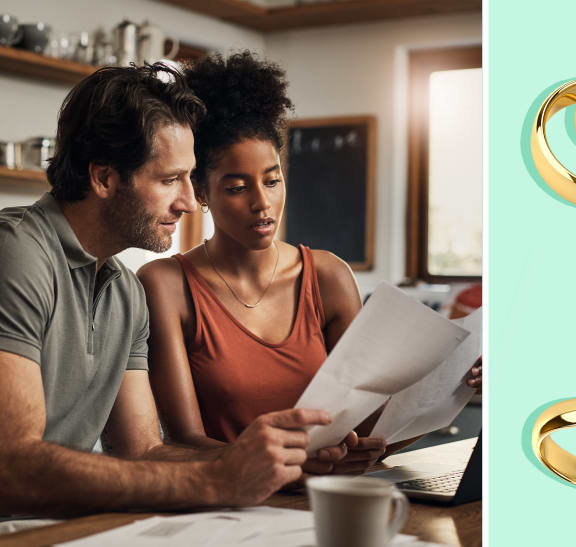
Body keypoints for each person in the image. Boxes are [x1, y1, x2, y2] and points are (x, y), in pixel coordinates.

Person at [0, 63, 348, 517]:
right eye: (169, 180)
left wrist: (279, 462)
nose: (188, 201)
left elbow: (142, 451)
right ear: (104, 178)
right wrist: (218, 477)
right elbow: (11, 468)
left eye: (189, 178)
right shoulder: (17, 253)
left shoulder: (124, 292)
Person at [137, 52, 481, 474]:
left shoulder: (328, 276)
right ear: (202, 192)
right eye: (237, 187)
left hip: (328, 501)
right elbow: (185, 441)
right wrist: (292, 464)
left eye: (272, 180)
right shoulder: (165, 284)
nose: (262, 203)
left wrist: (453, 386)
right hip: (229, 509)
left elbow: (372, 425)